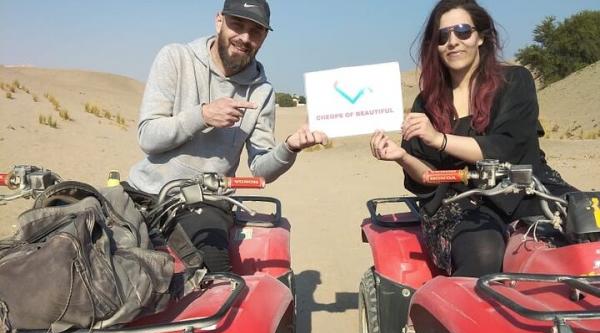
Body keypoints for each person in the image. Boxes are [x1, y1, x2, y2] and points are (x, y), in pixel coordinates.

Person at [370, 0, 574, 277]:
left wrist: (439, 139)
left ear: (480, 37)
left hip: (529, 188)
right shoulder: (427, 103)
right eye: (442, 36)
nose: (453, 42)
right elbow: (429, 176)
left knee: (586, 226)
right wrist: (402, 156)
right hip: (462, 202)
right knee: (484, 254)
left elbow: (506, 147)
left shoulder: (514, 81)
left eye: (463, 31)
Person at [128, 0, 327, 273]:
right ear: (219, 21)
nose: (245, 37)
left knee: (217, 280)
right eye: (237, 25)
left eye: (255, 31)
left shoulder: (262, 92)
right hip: (145, 191)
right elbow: (148, 138)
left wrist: (290, 147)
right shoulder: (175, 58)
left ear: (264, 38)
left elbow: (261, 170)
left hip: (204, 203)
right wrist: (202, 115)